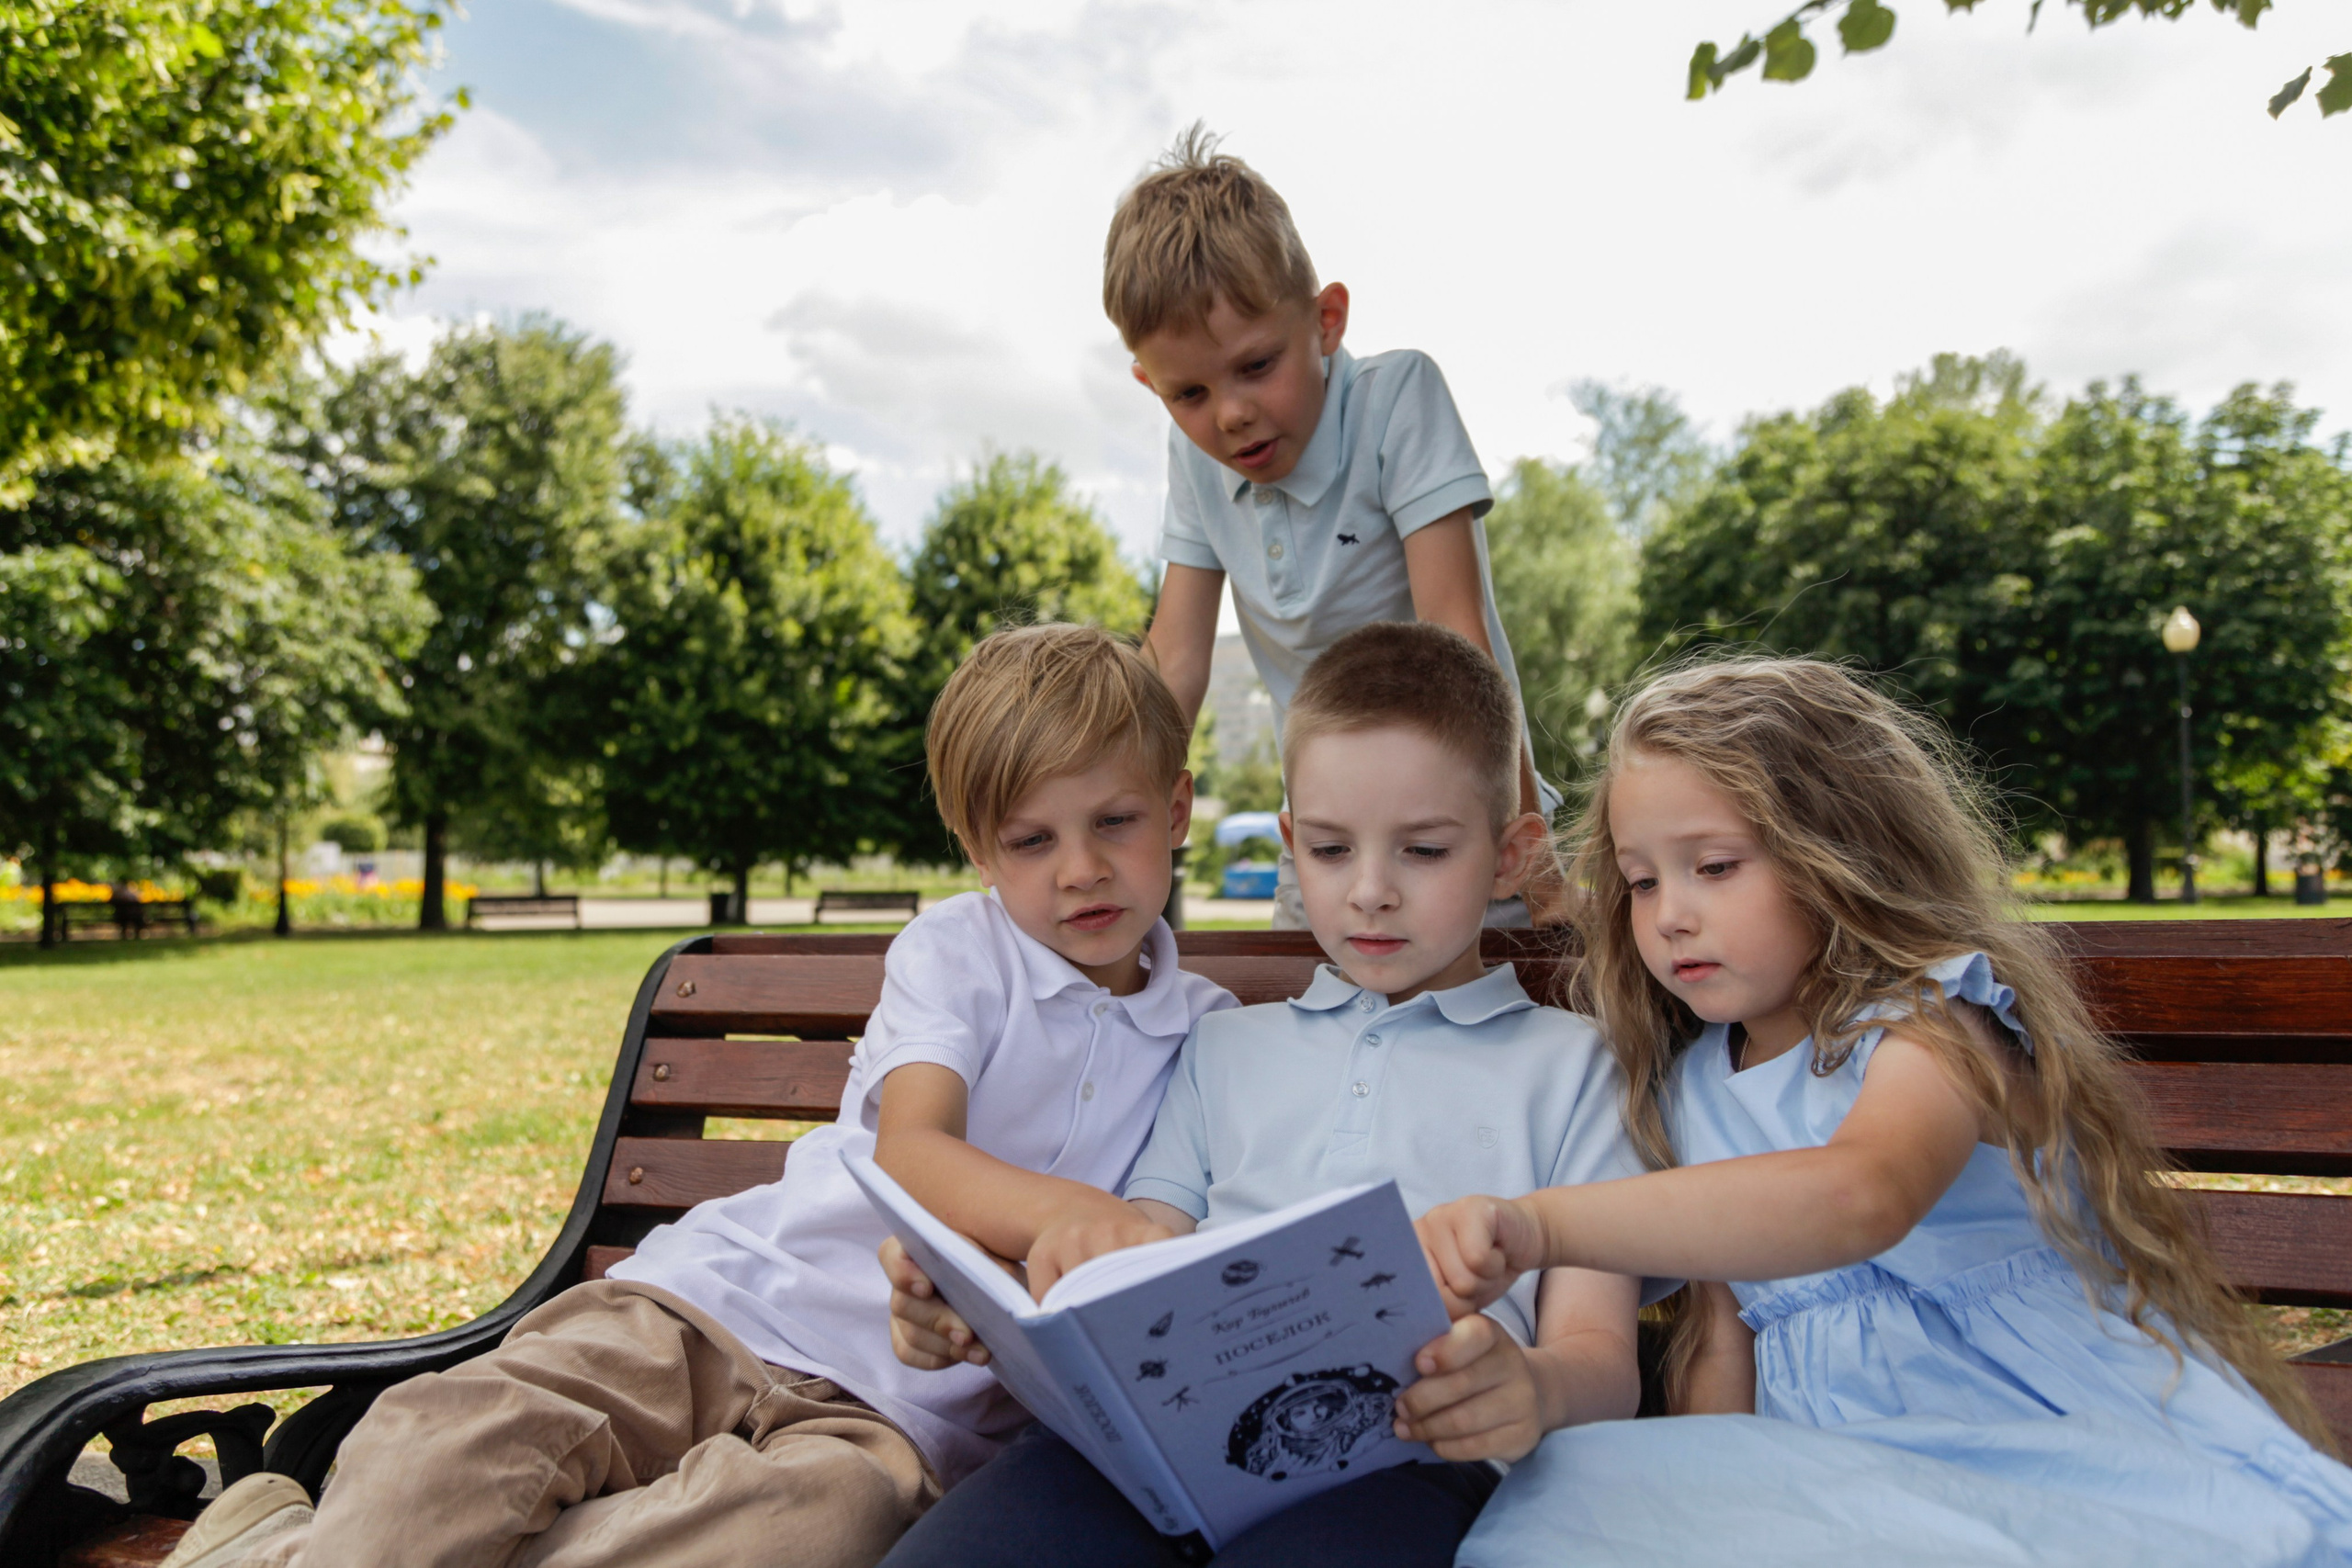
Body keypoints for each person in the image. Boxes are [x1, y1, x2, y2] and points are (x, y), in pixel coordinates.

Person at [161, 624, 1236, 1568]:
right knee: (451, 1439)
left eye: (1115, 822)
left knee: (820, 1534)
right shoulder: (959, 951)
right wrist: (1069, 1217)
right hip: (721, 1304)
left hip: (895, 1418)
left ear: (1178, 808)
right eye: (1032, 840)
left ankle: (281, 1554)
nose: (1081, 870)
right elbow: (912, 1148)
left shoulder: (1210, 1031)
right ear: (974, 851)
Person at [1415, 655, 2352, 1568]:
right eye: (1643, 880)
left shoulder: (1933, 1025)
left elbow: (1859, 1194)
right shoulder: (1692, 1085)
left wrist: (1539, 1225)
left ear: (1836, 854)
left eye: (1712, 866)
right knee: (1592, 1514)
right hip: (1831, 1475)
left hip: (2026, 1436)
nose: (1669, 916)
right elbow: (1720, 1342)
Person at [876, 622, 1648, 1568]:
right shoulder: (1224, 1047)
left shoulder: (1574, 1069)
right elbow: (1132, 1258)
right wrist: (980, 1303)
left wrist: (1534, 1388)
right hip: (1152, 1451)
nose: (1369, 893)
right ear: (1290, 844)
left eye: (1422, 851)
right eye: (1329, 851)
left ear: (1510, 853)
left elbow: (1603, 1362)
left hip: (1406, 1456)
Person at [1109, 126, 1562, 928]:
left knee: (1486, 1036)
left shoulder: (1397, 402)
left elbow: (1459, 636)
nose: (1232, 414)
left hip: (1454, 826)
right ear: (1148, 383)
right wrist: (1102, 825)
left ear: (1326, 320)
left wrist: (1534, 860)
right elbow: (1175, 663)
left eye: (1256, 366)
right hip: (1320, 839)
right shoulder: (1197, 463)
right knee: (1316, 1036)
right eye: (1190, 395)